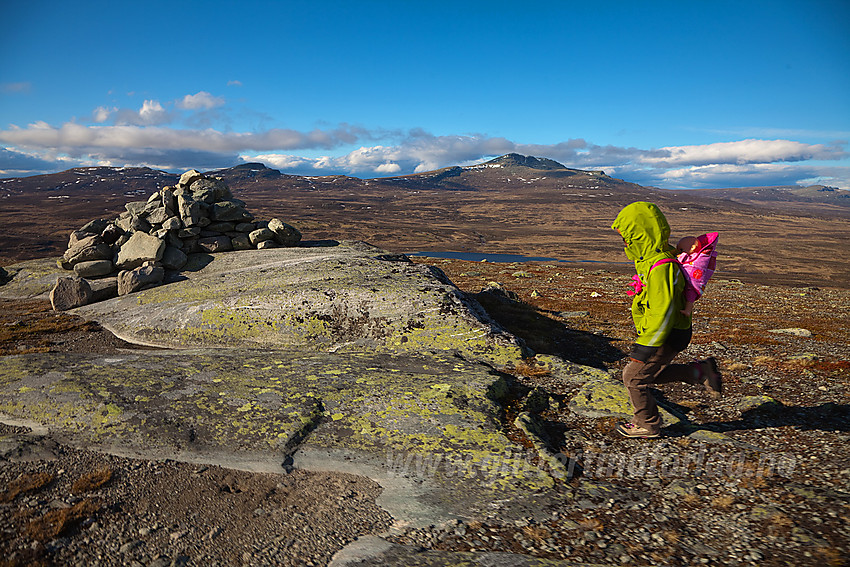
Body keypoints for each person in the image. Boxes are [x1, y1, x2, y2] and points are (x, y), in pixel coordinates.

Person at [611, 202, 722, 438]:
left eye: (628, 237)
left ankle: (647, 424)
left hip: (665, 334)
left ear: (642, 234)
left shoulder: (662, 266)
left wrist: (646, 345)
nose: (625, 243)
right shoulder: (651, 259)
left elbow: (663, 310)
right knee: (646, 375)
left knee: (632, 378)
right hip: (667, 332)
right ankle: (699, 373)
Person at [675, 232, 719, 316]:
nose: (680, 252)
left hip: (694, 283)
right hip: (694, 283)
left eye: (681, 249)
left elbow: (683, 261)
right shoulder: (700, 256)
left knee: (690, 297)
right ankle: (687, 310)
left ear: (692, 248)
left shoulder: (695, 258)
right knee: (689, 297)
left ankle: (687, 311)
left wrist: (677, 256)